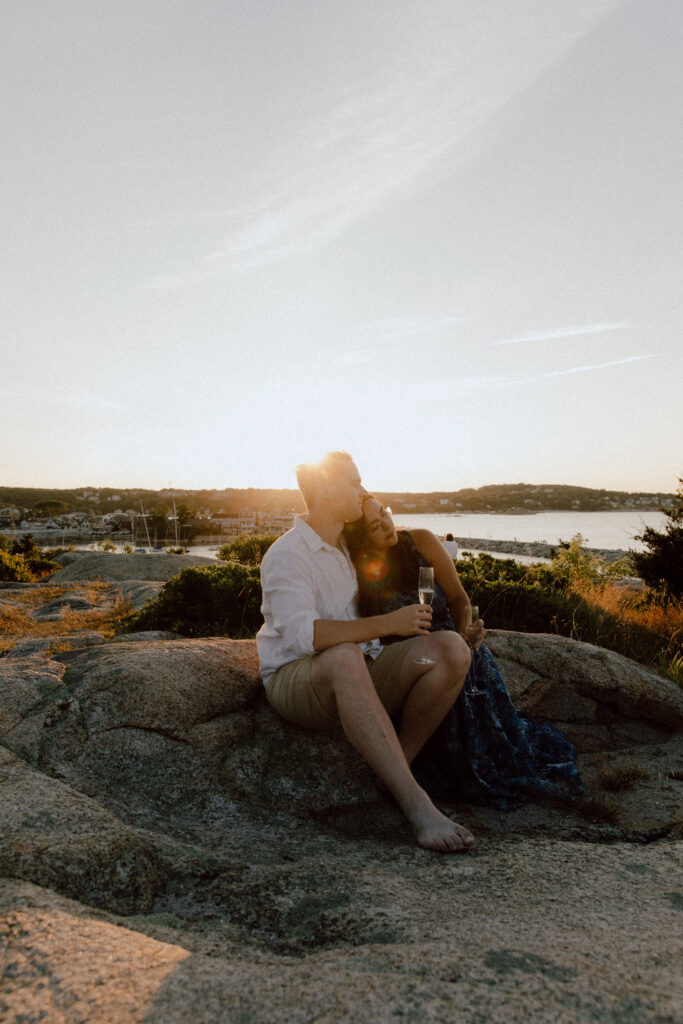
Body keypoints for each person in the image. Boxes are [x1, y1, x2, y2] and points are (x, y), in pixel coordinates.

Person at [256, 452, 475, 853]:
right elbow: (305, 635)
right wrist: (388, 625)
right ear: (326, 488)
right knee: (343, 656)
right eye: (355, 483)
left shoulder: (344, 544)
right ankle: (417, 805)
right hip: (296, 678)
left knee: (451, 650)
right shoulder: (287, 554)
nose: (362, 490)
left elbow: (397, 543)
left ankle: (395, 769)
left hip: (359, 667)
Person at [343, 498, 583, 810]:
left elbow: (458, 597)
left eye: (384, 514)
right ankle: (403, 771)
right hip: (405, 657)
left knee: (468, 673)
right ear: (362, 538)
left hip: (453, 644)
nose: (387, 526)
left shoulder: (421, 541)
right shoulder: (355, 567)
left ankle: (401, 770)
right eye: (375, 526)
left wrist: (464, 630)